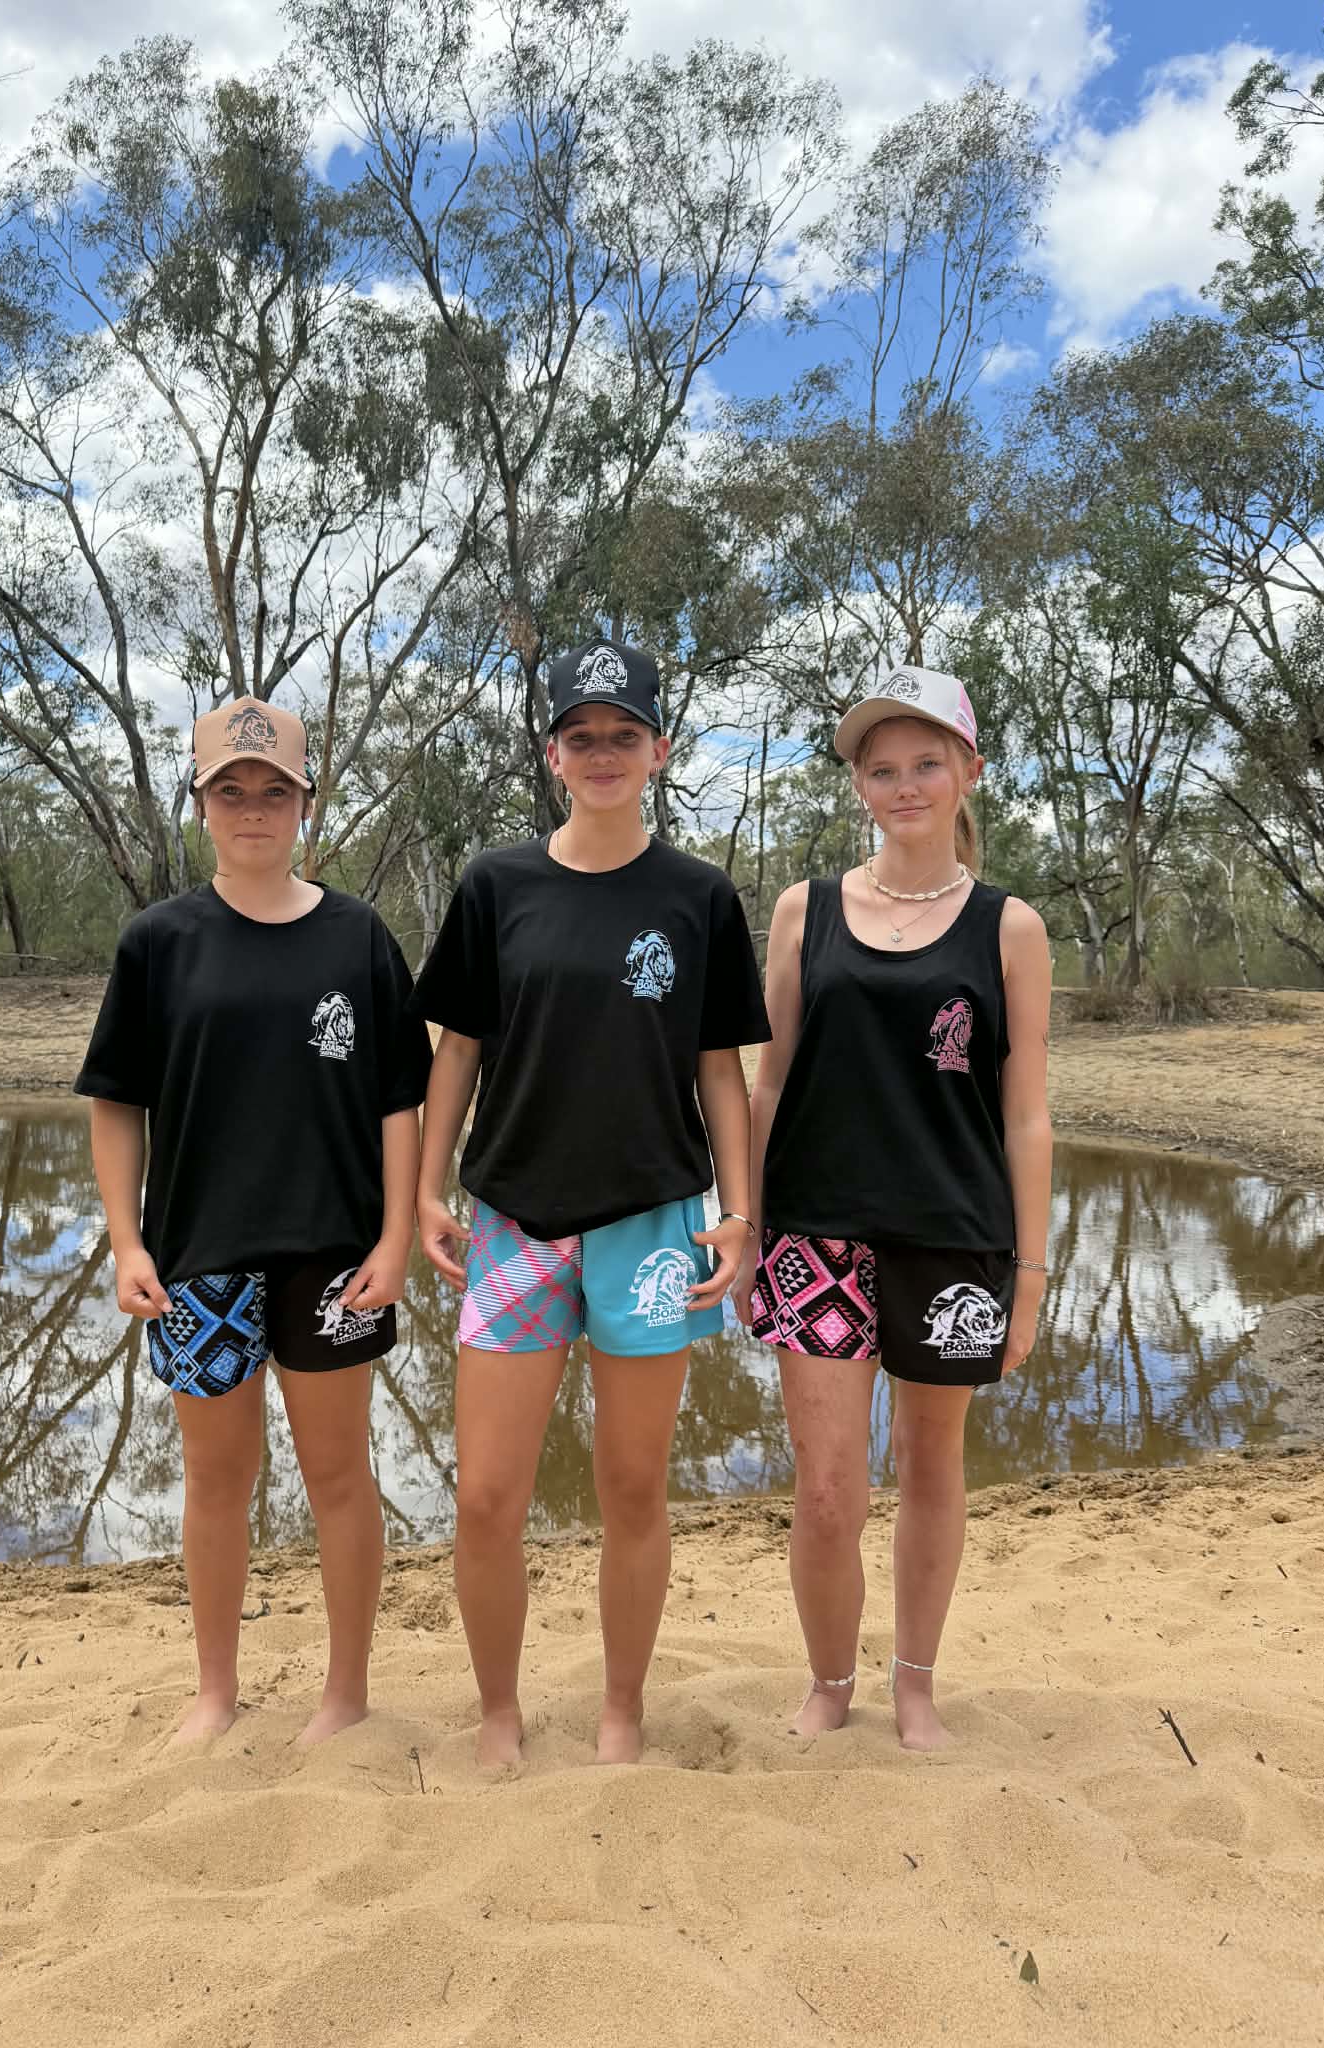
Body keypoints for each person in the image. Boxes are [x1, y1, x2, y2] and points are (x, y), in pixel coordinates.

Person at [414, 639, 771, 1766]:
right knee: (486, 1496)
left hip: (655, 1224)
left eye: (625, 734)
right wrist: (427, 1186)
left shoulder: (700, 896)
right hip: (515, 1217)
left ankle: (622, 1712)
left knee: (632, 1486)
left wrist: (741, 1211)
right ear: (553, 751)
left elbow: (722, 1067)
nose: (603, 752)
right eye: (583, 735)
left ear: (660, 749)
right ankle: (498, 1712)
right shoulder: (496, 884)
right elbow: (458, 1046)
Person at [75, 699, 431, 1745]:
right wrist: (127, 1240)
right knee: (215, 1481)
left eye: (274, 790)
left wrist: (396, 1236)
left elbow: (398, 1104)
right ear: (201, 804)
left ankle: (347, 1687)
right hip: (198, 1255)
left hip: (335, 1254)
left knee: (337, 1474)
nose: (253, 809)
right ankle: (217, 1688)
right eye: (231, 790)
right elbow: (115, 1102)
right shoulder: (158, 943)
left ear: (306, 803)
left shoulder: (359, 936)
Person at [732, 665, 1052, 1751]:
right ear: (859, 784)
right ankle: (831, 1680)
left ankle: (915, 1683)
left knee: (930, 1465)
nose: (905, 784)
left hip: (955, 1235)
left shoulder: (1010, 927)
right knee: (826, 1490)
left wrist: (1033, 1276)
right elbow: (765, 1081)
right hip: (814, 1233)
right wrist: (745, 1227)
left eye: (926, 762)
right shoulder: (802, 910)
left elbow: (1026, 1115)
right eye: (882, 767)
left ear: (969, 771)